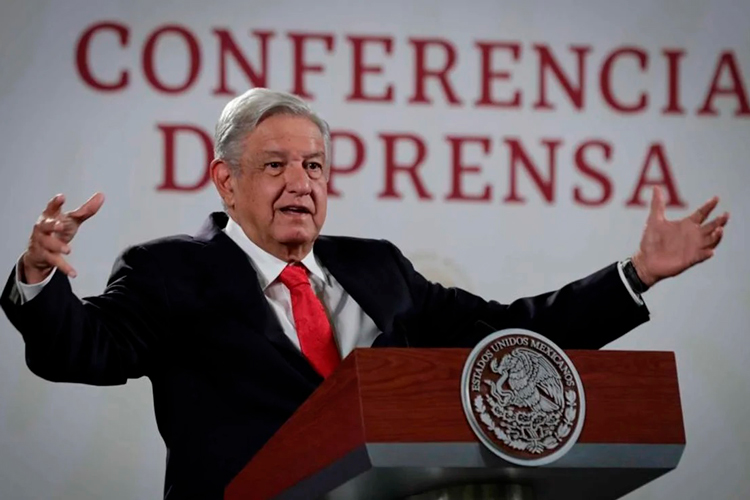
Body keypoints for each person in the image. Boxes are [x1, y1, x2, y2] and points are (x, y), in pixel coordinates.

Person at [1, 88, 729, 499]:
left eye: (315, 166)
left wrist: (635, 275)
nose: (301, 183)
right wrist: (40, 274)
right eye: (276, 165)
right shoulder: (168, 270)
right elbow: (85, 351)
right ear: (226, 180)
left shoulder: (377, 266)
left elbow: (509, 341)